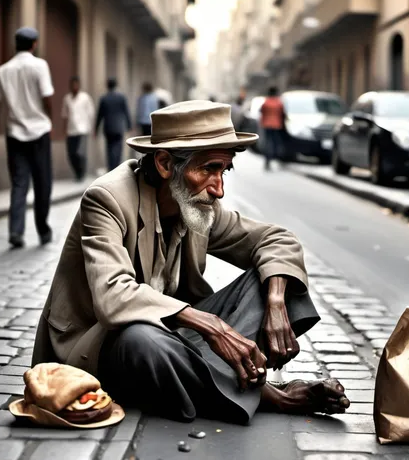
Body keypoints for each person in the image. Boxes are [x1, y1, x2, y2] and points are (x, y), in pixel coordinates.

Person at [32, 100, 350, 424]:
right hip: (101, 346)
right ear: (166, 163)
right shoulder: (107, 199)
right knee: (141, 340)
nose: (220, 189)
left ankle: (207, 382)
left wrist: (276, 300)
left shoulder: (198, 207)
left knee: (275, 275)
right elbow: (113, 296)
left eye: (224, 171)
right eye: (209, 169)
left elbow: (278, 241)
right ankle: (272, 396)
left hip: (174, 343)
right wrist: (211, 326)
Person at [0, 27, 53, 249]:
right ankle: (43, 230)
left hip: (14, 134)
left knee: (19, 183)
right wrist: (49, 117)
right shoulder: (40, 65)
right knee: (42, 182)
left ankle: (16, 231)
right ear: (34, 44)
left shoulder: (3, 69)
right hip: (39, 132)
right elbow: (47, 97)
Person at [62, 76, 95, 181]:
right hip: (71, 131)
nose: (74, 86)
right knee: (71, 154)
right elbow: (64, 115)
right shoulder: (67, 98)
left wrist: (91, 128)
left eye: (76, 84)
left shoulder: (85, 97)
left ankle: (81, 174)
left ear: (79, 85)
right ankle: (77, 172)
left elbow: (91, 113)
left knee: (80, 153)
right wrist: (64, 129)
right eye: (72, 85)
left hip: (82, 130)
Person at [95, 78, 132, 171]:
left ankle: (111, 167)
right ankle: (117, 167)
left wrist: (96, 129)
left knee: (109, 148)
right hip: (119, 127)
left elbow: (99, 115)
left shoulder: (104, 98)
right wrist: (129, 125)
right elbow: (126, 112)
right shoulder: (121, 97)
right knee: (118, 148)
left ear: (107, 85)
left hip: (108, 127)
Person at [260, 86, 286, 170]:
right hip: (276, 125)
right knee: (276, 143)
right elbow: (283, 114)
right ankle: (278, 158)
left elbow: (261, 111)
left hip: (267, 125)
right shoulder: (279, 102)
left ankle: (268, 160)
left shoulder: (266, 102)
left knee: (268, 143)